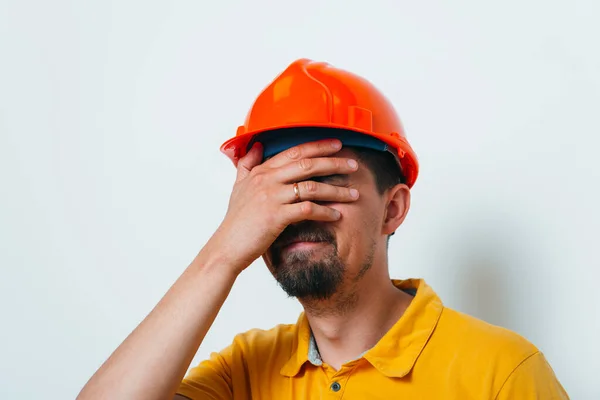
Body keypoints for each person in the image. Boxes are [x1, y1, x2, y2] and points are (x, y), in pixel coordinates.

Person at [78, 59, 568, 399]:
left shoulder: (503, 373)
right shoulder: (245, 372)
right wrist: (224, 251)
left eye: (325, 187)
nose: (299, 211)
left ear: (392, 211)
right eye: (276, 192)